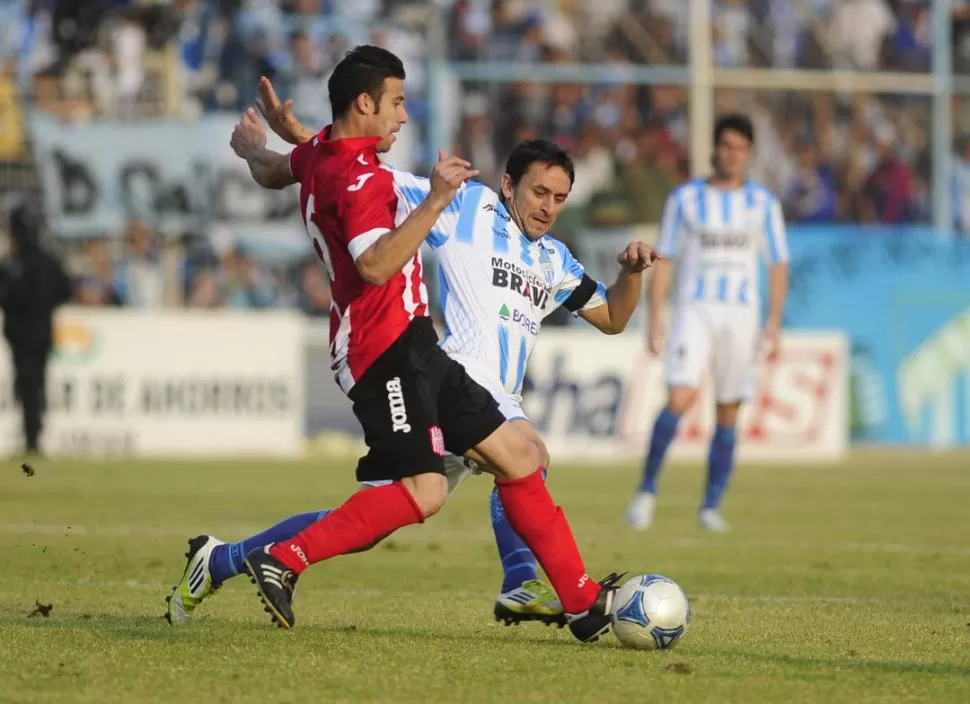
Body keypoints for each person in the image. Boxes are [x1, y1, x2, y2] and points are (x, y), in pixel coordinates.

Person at [165, 45, 624, 643]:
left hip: (417, 346)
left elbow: (285, 168)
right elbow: (377, 265)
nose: (405, 117)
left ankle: (583, 603)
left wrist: (263, 145)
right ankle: (284, 558)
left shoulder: (332, 157)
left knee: (517, 455)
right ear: (365, 103)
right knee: (422, 493)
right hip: (379, 353)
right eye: (398, 103)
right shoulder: (361, 179)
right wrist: (435, 198)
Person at [626, 113, 790, 532]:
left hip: (742, 314)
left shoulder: (763, 204)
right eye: (727, 146)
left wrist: (773, 321)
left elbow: (777, 263)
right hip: (694, 310)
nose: (733, 155)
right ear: (715, 149)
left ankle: (710, 506)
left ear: (749, 154)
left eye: (741, 148)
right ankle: (646, 493)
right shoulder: (685, 198)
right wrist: (655, 317)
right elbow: (666, 256)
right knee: (679, 398)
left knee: (729, 409)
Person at [0, 200, 73, 455]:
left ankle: (32, 438)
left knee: (27, 385)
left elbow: (6, 295)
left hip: (22, 334)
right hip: (41, 333)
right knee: (36, 385)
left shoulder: (14, 263)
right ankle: (34, 434)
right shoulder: (47, 260)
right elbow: (66, 290)